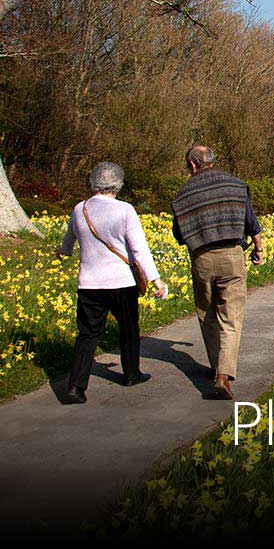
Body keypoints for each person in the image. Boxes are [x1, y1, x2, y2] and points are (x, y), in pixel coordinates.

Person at [59, 162, 166, 404]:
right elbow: (139, 249)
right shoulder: (124, 210)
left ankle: (75, 388)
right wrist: (155, 279)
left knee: (87, 334)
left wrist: (62, 252)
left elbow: (68, 244)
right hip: (121, 281)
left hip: (89, 284)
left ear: (93, 182)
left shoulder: (80, 209)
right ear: (118, 183)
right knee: (129, 328)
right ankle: (131, 373)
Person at [171, 146, 264, 400]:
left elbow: (179, 235)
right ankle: (223, 374)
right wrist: (258, 248)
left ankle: (216, 368)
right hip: (232, 255)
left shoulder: (183, 195)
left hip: (201, 257)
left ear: (192, 165)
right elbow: (250, 221)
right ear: (212, 161)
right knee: (231, 317)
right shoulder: (235, 185)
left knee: (207, 313)